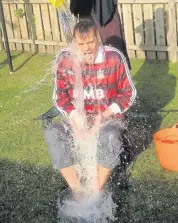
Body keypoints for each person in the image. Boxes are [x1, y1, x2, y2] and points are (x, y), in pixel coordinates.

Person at [44, 19, 136, 199]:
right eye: (81, 44)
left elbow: (129, 92)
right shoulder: (65, 59)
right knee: (52, 132)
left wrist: (104, 115)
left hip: (108, 119)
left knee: (109, 136)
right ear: (74, 43)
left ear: (98, 39)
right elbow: (59, 95)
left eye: (90, 42)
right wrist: (73, 115)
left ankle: (96, 188)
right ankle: (76, 189)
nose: (86, 48)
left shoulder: (114, 57)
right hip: (79, 119)